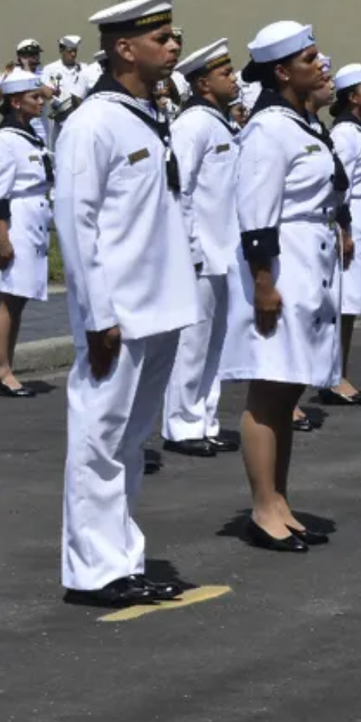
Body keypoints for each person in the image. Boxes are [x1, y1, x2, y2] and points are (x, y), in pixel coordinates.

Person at [54, 0, 197, 607]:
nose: (173, 46)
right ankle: (93, 568)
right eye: (160, 39)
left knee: (130, 442)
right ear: (123, 49)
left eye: (172, 37)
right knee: (99, 439)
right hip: (120, 310)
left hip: (160, 302)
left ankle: (120, 558)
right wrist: (97, 314)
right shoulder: (93, 122)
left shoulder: (149, 113)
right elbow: (77, 222)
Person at [218, 23, 350, 550]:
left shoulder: (302, 124)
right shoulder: (269, 128)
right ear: (281, 70)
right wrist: (263, 283)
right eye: (311, 58)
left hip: (307, 263)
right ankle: (262, 506)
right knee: (268, 387)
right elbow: (255, 214)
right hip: (279, 267)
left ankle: (281, 499)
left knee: (288, 387)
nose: (323, 66)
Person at [158, 39, 241, 457]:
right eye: (226, 74)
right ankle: (182, 424)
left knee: (215, 343)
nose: (234, 79)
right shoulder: (193, 124)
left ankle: (205, 417)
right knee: (192, 344)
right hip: (201, 251)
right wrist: (187, 249)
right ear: (203, 82)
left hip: (222, 250)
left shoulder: (219, 122)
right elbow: (180, 190)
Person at [0, 68, 55, 397]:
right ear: (15, 102)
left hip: (33, 221)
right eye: (34, 97)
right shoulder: (5, 141)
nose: (41, 101)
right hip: (14, 222)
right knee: (6, 297)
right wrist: (2, 238)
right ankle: (0, 370)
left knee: (18, 299)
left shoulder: (29, 134)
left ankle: (6, 366)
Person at [323, 62, 361, 406]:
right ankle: (333, 378)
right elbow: (339, 185)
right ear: (352, 97)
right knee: (342, 305)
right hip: (351, 222)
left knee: (350, 306)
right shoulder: (344, 134)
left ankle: (339, 372)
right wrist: (344, 230)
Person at [43, 34, 89, 125]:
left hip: (79, 119)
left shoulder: (84, 68)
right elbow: (46, 94)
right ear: (61, 50)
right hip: (58, 119)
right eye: (70, 51)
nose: (73, 54)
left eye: (75, 51)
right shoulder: (50, 69)